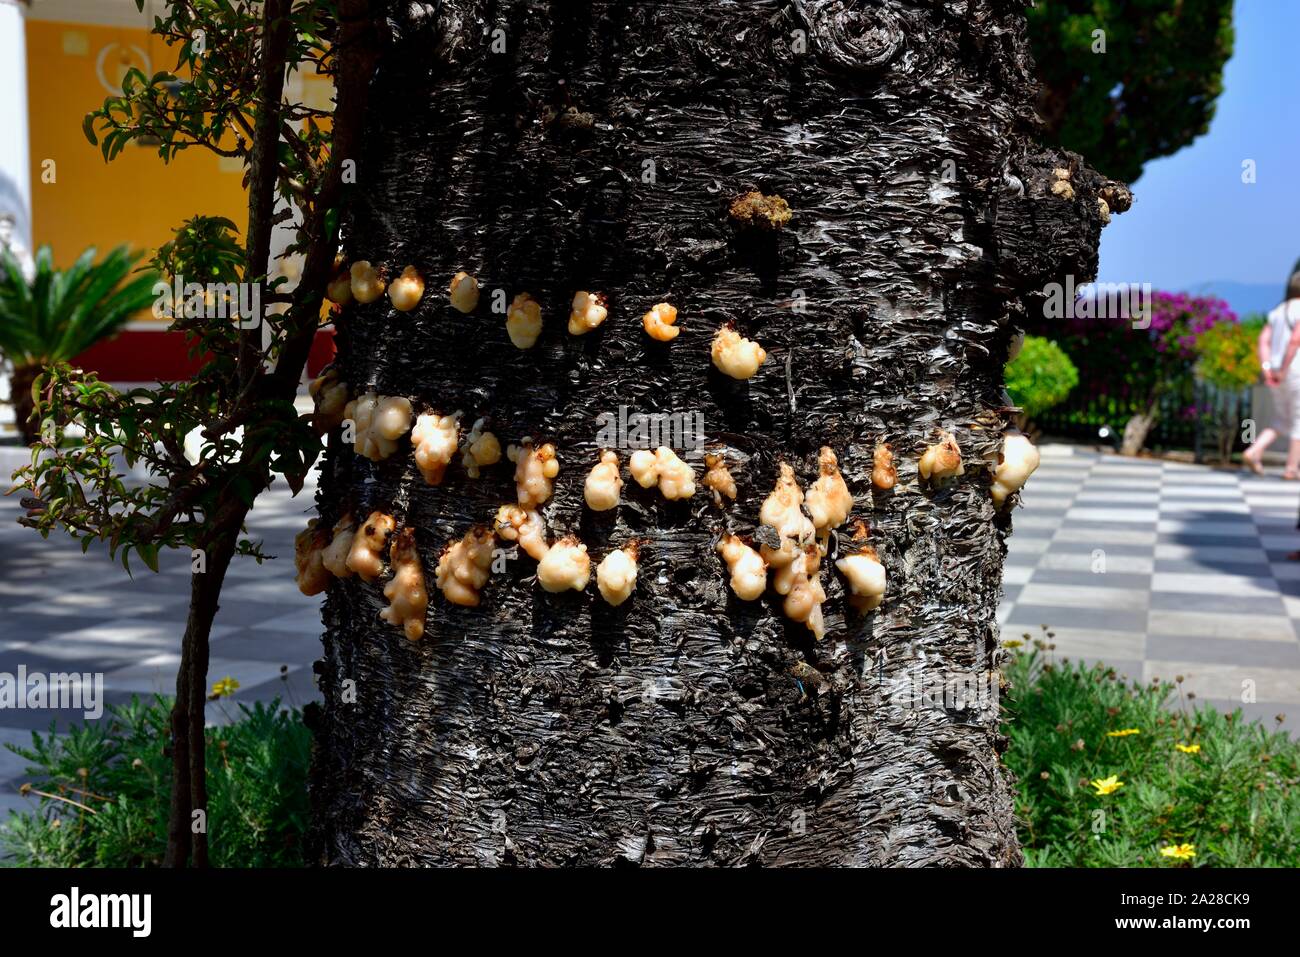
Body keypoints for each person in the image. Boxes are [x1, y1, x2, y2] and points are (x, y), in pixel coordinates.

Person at [1242, 262, 1300, 478]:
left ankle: (1254, 450)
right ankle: (1292, 468)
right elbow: (1295, 341)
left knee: (1281, 420)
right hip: (1294, 370)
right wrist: (1285, 369)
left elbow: (1263, 340)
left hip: (1275, 372)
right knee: (1298, 421)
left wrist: (1267, 368)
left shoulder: (1277, 311)